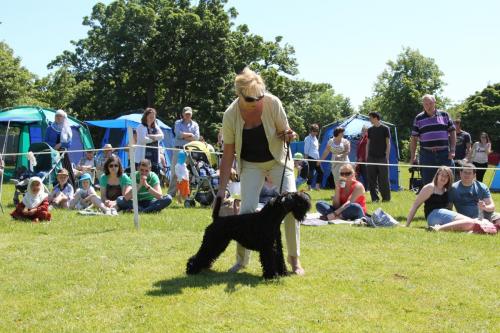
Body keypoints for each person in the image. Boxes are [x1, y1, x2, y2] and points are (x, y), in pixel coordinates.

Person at [216, 67, 304, 275]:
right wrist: (221, 189)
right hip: (251, 164)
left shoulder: (273, 103)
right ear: (240, 95)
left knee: (292, 207)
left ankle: (295, 262)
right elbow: (228, 154)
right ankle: (241, 261)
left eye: (260, 97)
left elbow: (287, 132)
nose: (257, 101)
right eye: (251, 99)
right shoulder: (230, 115)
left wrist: (289, 134)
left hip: (278, 160)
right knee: (246, 209)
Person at [406, 166, 480, 229]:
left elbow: (449, 209)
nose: (444, 178)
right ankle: (477, 223)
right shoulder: (430, 187)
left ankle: (438, 229)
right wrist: (407, 225)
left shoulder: (447, 190)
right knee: (470, 222)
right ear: (437, 175)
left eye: (446, 176)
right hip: (433, 215)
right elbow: (415, 205)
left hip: (442, 216)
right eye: (442, 175)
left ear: (449, 178)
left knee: (468, 224)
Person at [410, 94, 456, 185]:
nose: (428, 106)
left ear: (435, 103)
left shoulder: (445, 115)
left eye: (430, 103)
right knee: (428, 183)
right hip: (426, 155)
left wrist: (453, 150)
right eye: (425, 104)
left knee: (448, 181)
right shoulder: (418, 118)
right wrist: (413, 156)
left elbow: (452, 132)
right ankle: (429, 199)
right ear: (423, 105)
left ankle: (448, 199)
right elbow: (414, 138)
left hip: (444, 154)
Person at [168, 106, 200, 196]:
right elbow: (178, 134)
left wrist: (184, 135)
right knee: (175, 172)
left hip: (190, 151)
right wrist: (190, 135)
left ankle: (185, 193)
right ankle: (171, 193)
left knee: (188, 172)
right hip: (178, 149)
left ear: (191, 114)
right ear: (183, 114)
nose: (188, 115)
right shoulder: (178, 122)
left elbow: (196, 137)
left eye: (189, 114)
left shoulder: (195, 124)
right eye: (186, 114)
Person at [45, 109, 76, 187]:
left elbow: (69, 144)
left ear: (64, 118)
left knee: (66, 171)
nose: (58, 117)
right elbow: (46, 141)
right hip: (52, 153)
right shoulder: (49, 128)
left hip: (63, 153)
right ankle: (56, 188)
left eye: (60, 116)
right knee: (54, 171)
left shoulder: (67, 129)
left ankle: (70, 189)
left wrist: (61, 144)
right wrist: (54, 145)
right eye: (56, 116)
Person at [366, 112, 391, 202]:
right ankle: (374, 198)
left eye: (370, 118)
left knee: (383, 179)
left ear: (375, 118)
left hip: (382, 157)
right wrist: (366, 156)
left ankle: (386, 198)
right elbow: (368, 144)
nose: (370, 120)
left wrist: (387, 157)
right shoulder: (370, 130)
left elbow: (388, 144)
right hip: (371, 157)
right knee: (371, 179)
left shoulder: (385, 128)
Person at [135, 108, 164, 176]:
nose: (152, 118)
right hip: (143, 155)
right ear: (146, 116)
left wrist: (151, 136)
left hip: (154, 156)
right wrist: (154, 138)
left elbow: (162, 136)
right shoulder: (141, 126)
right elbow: (143, 139)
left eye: (153, 116)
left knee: (154, 174)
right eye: (150, 116)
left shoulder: (156, 126)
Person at [303, 124, 323, 190]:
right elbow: (306, 150)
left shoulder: (315, 139)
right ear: (311, 131)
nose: (315, 133)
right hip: (310, 158)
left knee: (321, 172)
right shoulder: (307, 139)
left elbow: (316, 150)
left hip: (316, 158)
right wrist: (305, 160)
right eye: (314, 131)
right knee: (310, 173)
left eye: (316, 131)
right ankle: (309, 187)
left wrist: (319, 159)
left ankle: (317, 186)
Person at [356, 125, 369, 190]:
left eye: (365, 130)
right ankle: (357, 189)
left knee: (366, 176)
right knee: (357, 175)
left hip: (364, 160)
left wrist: (362, 158)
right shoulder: (361, 138)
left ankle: (367, 189)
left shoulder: (367, 139)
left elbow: (365, 150)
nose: (363, 132)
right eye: (362, 130)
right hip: (359, 160)